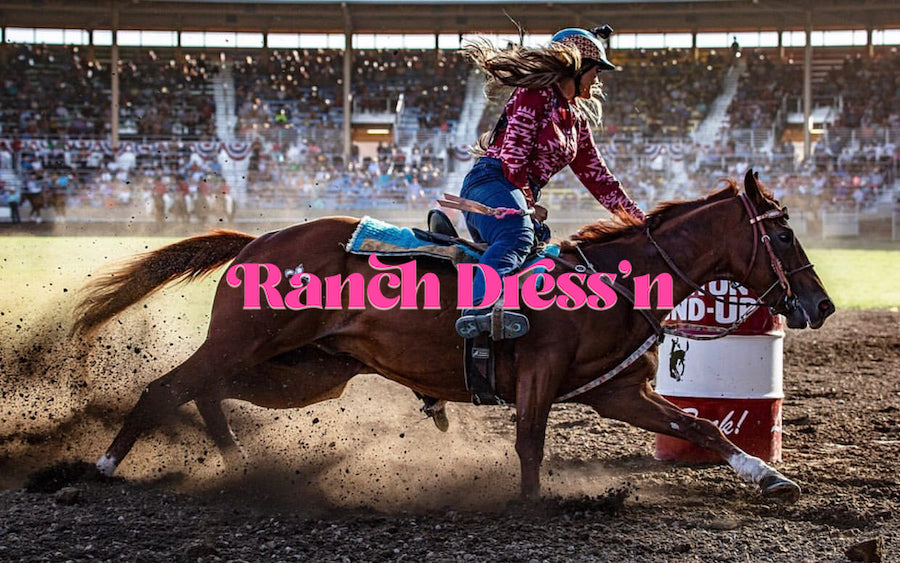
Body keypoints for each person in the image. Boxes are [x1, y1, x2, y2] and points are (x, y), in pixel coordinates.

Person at [455, 26, 646, 338]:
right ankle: (479, 309)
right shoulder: (534, 95)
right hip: (490, 182)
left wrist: (638, 220)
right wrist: (528, 202)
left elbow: (600, 180)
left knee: (542, 249)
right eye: (595, 70)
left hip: (510, 189)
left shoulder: (576, 122)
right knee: (517, 235)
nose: (597, 79)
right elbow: (513, 158)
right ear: (577, 67)